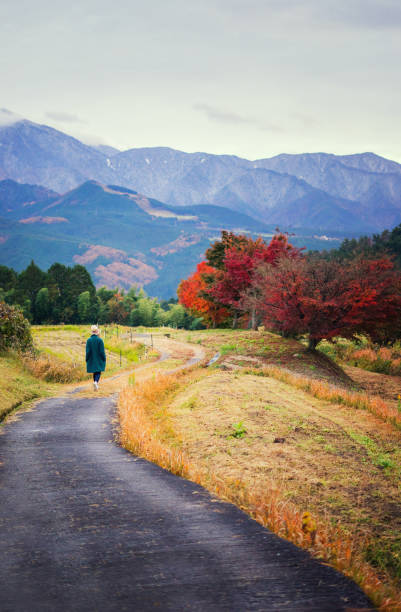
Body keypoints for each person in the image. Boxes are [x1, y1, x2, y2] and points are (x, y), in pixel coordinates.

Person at [86, 325, 106, 391]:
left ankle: (95, 384)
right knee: (98, 371)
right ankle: (96, 382)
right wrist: (104, 358)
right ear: (97, 331)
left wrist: (87, 358)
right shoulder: (100, 340)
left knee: (95, 371)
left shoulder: (88, 340)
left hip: (91, 358)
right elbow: (102, 351)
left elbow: (87, 351)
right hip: (98, 358)